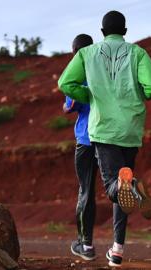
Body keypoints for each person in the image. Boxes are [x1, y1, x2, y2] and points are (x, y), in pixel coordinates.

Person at [58, 10, 151, 267]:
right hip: (130, 129)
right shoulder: (138, 53)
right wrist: (139, 96)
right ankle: (117, 251)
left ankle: (89, 242)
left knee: (113, 187)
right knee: (122, 185)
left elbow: (66, 83)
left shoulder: (86, 54)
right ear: (125, 32)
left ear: (102, 32)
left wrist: (91, 96)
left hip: (103, 130)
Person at [63, 34, 98, 261]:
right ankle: (117, 246)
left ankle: (85, 245)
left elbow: (71, 105)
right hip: (108, 137)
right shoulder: (102, 72)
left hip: (86, 140)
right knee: (113, 187)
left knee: (86, 191)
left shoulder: (76, 73)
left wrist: (67, 106)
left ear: (75, 51)